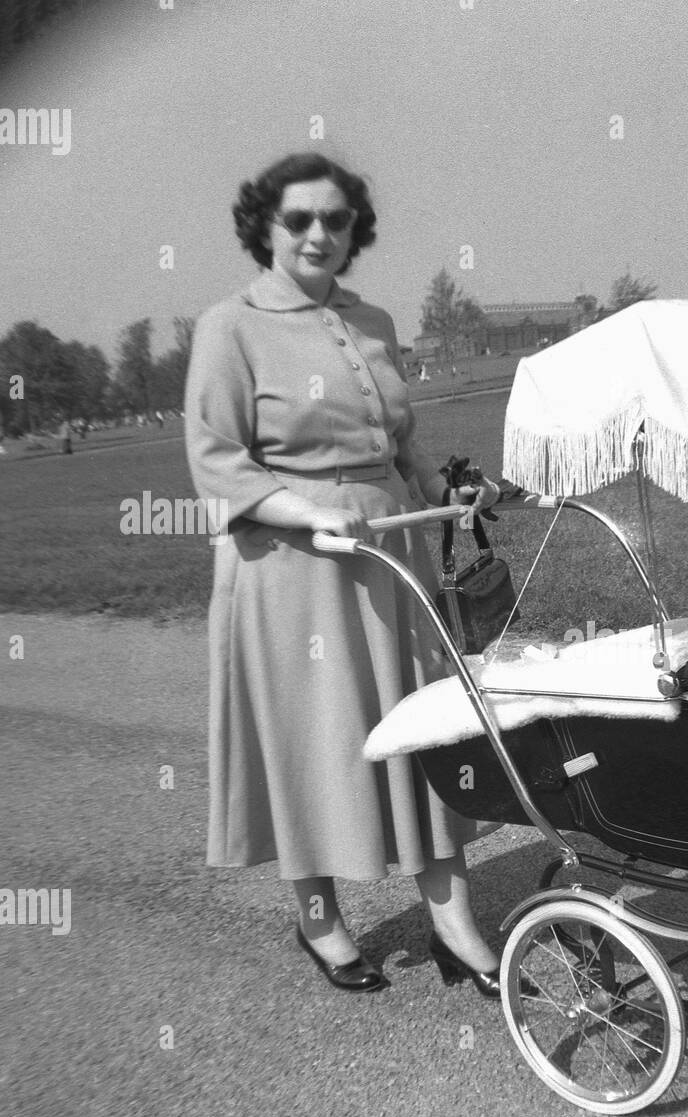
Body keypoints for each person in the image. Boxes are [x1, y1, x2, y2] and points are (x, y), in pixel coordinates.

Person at [184, 152, 505, 997]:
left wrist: (449, 492)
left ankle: (453, 921)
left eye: (336, 219)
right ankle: (319, 918)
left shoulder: (374, 321)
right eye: (299, 220)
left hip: (389, 556)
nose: (319, 234)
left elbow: (400, 445)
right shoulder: (230, 326)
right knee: (313, 739)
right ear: (265, 226)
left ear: (355, 229)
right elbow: (216, 462)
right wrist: (310, 511)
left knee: (425, 729)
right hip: (291, 570)